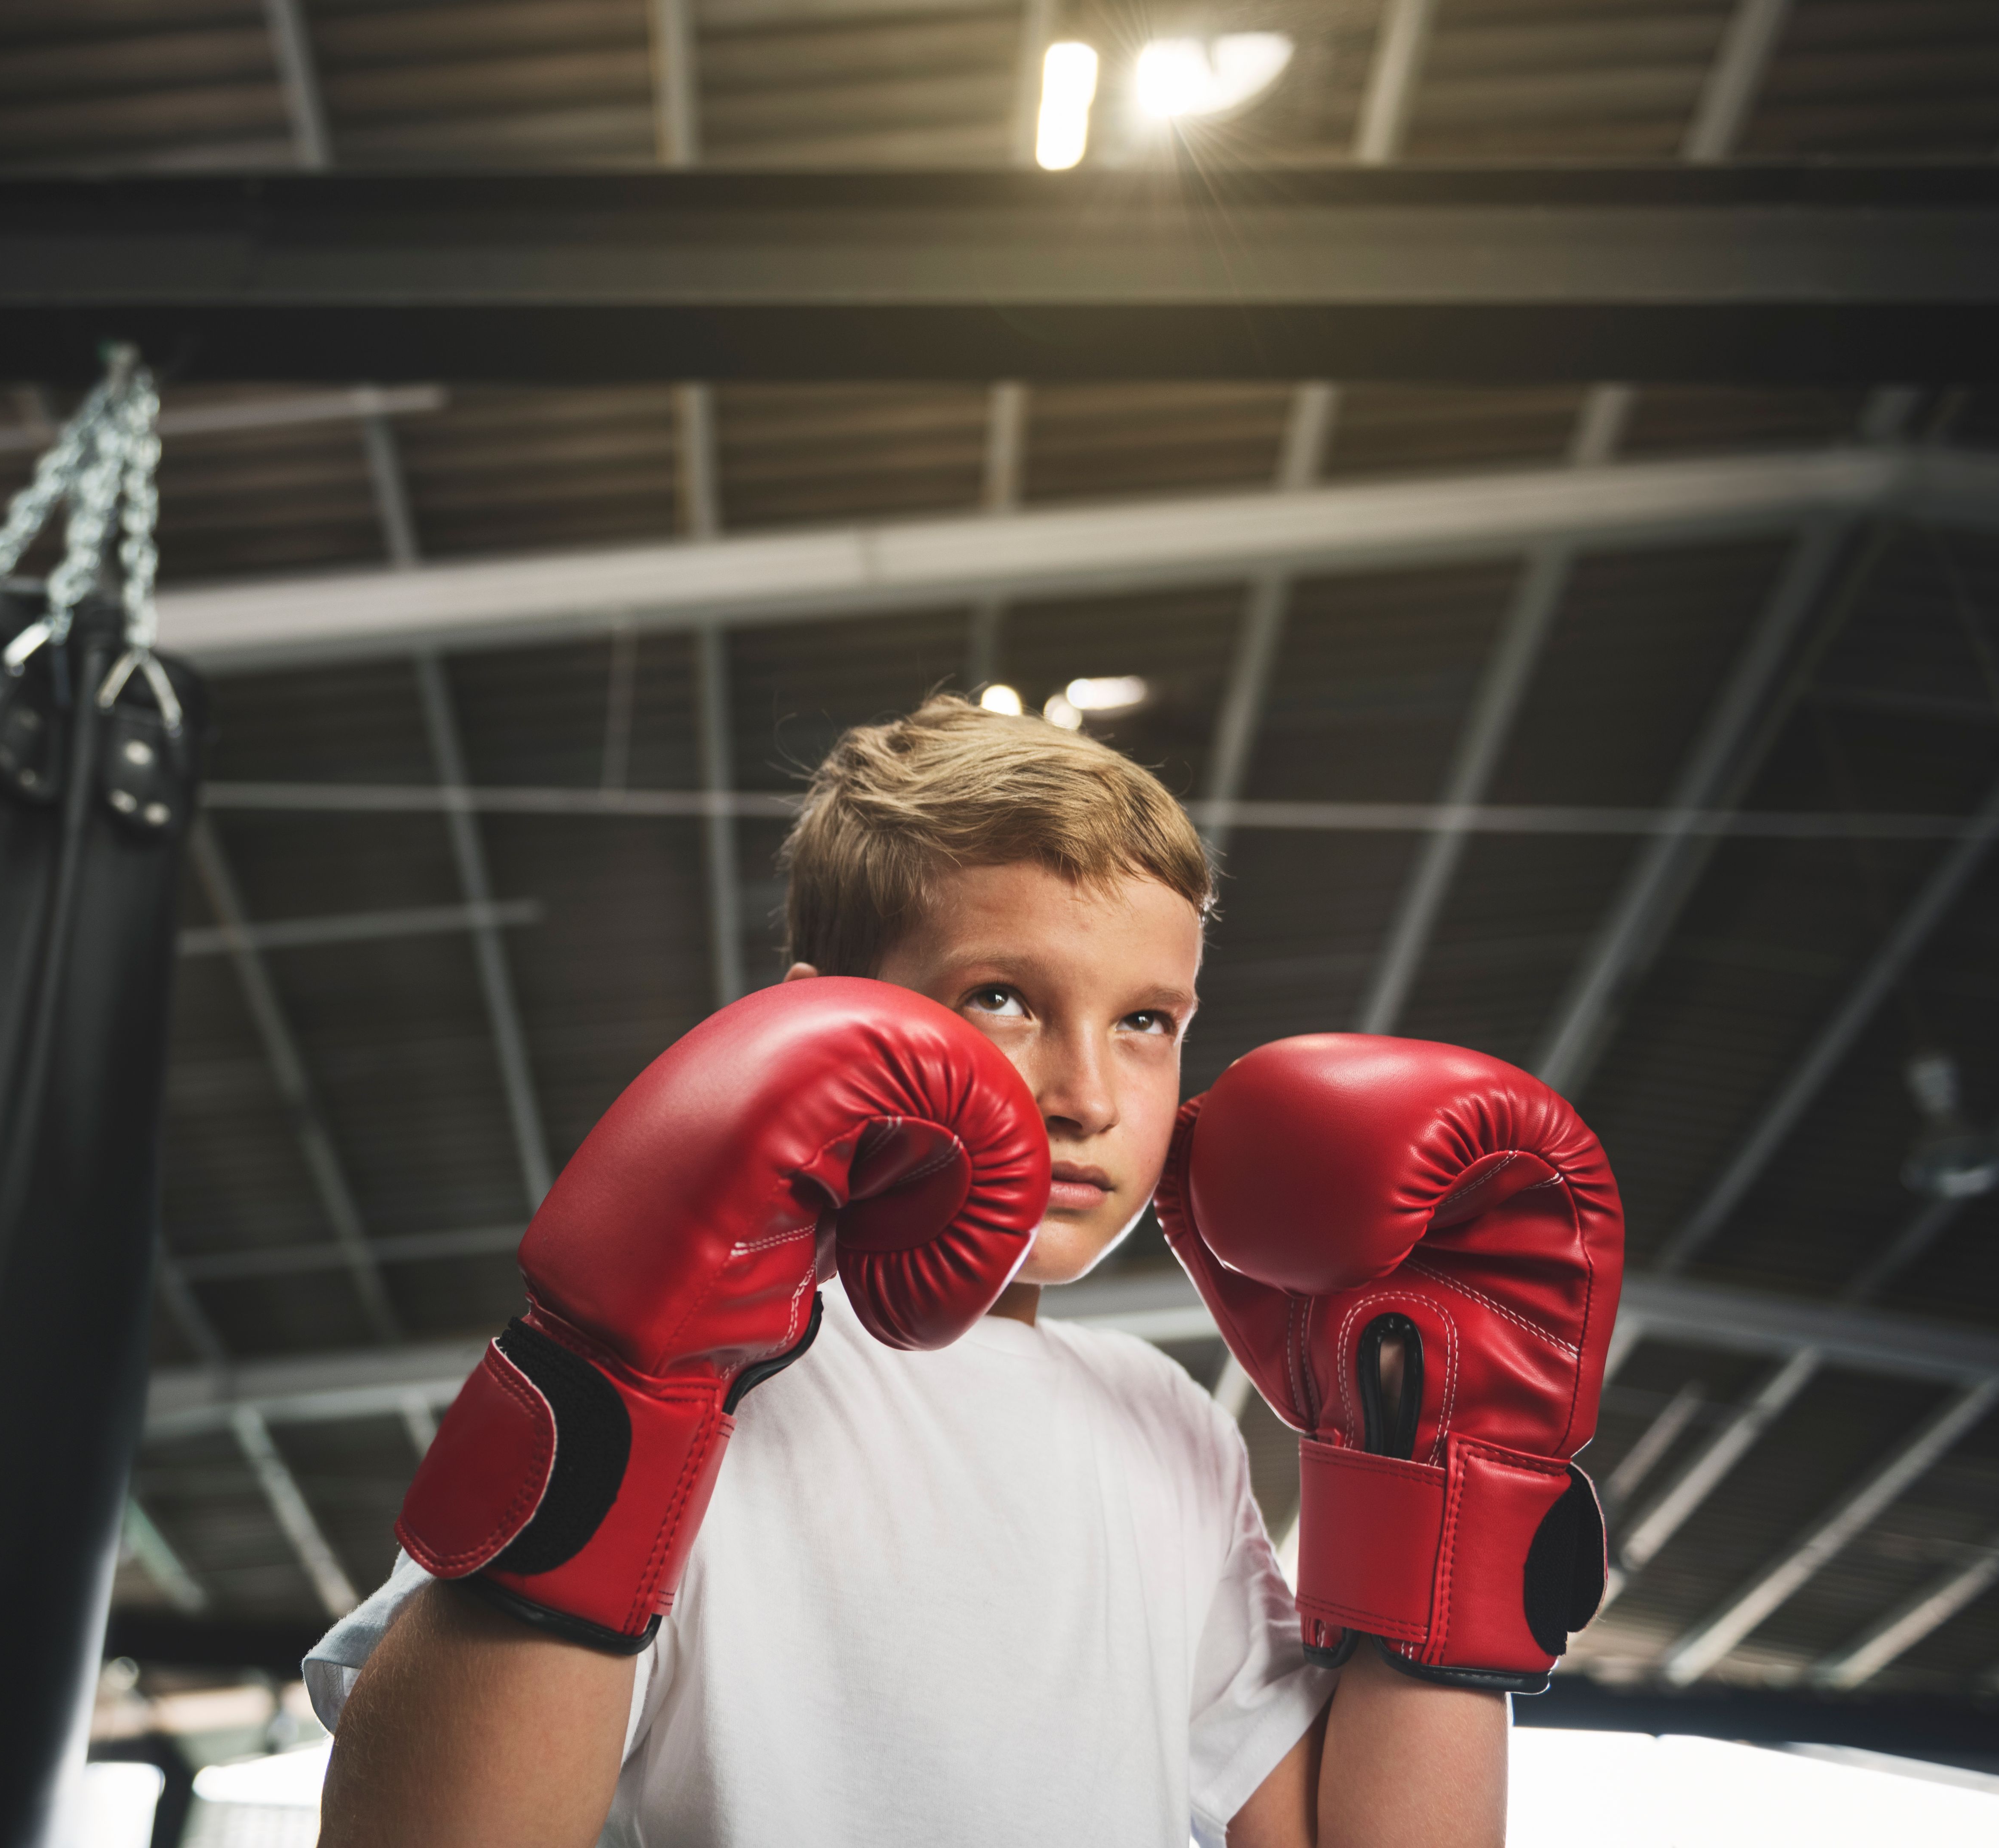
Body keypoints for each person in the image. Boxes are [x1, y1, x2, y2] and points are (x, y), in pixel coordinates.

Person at [303, 695, 1551, 1847]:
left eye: (1144, 1021)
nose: (1087, 1096)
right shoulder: (694, 1366)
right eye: (1003, 997)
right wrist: (624, 1377)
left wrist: (1446, 1481)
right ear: (822, 1027)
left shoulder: (1163, 1422)